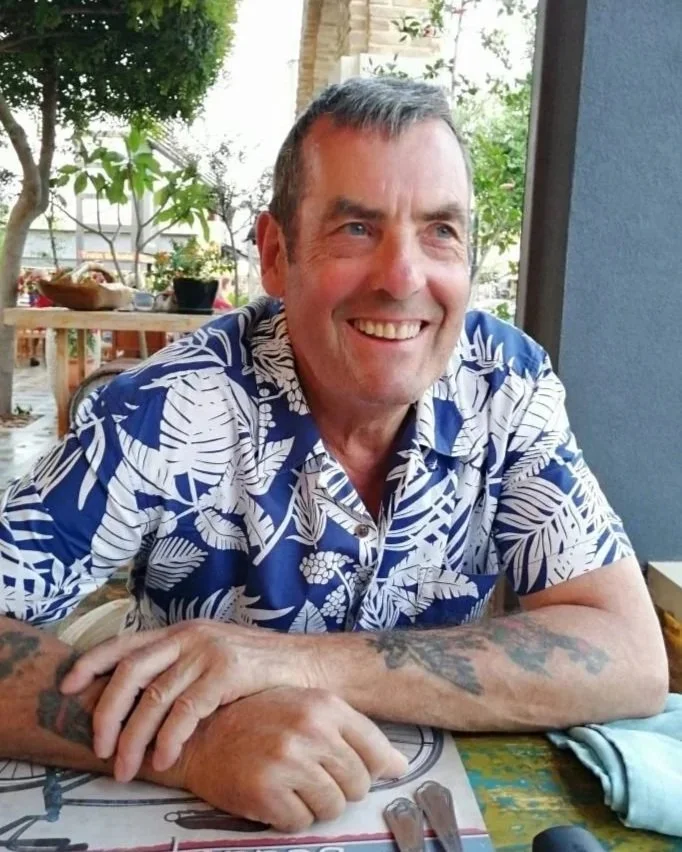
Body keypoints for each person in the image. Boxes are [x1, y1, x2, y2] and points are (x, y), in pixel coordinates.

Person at [0, 77, 667, 831]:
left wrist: (297, 662)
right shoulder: (169, 409)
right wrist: (198, 744)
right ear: (276, 254)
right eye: (356, 228)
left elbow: (630, 656)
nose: (403, 278)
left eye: (440, 231)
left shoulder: (504, 384)